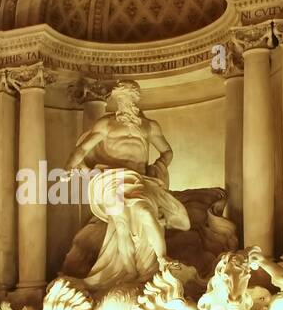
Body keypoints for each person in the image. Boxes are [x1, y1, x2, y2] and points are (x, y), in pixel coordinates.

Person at [62, 80, 190, 288]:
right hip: (111, 179)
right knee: (121, 222)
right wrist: (69, 167)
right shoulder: (106, 124)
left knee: (146, 213)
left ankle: (162, 259)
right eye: (122, 98)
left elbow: (167, 152)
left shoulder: (149, 126)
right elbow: (82, 150)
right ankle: (130, 273)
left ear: (136, 100)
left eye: (130, 97)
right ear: (117, 100)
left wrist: (158, 167)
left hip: (138, 180)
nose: (126, 102)